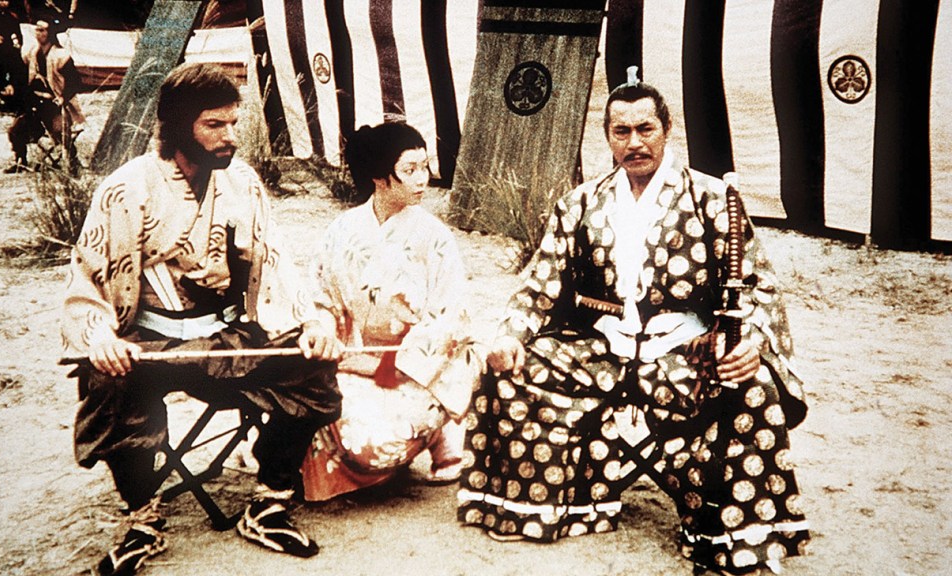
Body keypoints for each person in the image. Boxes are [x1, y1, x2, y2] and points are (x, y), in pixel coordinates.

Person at [457, 70, 810, 575]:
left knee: (753, 388)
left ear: (667, 129)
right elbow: (541, 282)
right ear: (607, 138)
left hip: (684, 353)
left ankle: (731, 534)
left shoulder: (712, 199)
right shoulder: (580, 203)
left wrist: (749, 341)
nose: (634, 142)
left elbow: (757, 285)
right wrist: (511, 333)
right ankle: (548, 504)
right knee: (510, 369)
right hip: (602, 350)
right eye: (621, 132)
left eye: (645, 129)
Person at [63, 63, 343, 575]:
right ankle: (143, 520)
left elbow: (275, 262)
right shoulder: (127, 190)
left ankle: (269, 502)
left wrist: (314, 321)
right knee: (105, 378)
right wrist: (100, 335)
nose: (228, 137)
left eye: (233, 123)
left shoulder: (242, 182)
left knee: (313, 368)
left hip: (230, 339)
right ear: (176, 126)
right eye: (214, 125)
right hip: (149, 342)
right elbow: (89, 279)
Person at [299, 122, 482, 501]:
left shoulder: (435, 237)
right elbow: (320, 296)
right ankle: (418, 444)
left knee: (379, 442)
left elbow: (450, 314)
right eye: (410, 170)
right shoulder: (342, 230)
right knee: (333, 424)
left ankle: (440, 430)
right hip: (353, 361)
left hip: (416, 368)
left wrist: (392, 364)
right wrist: (324, 334)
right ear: (380, 177)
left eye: (425, 167)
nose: (423, 180)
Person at [5, 17, 84, 173]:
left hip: (56, 106)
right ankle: (21, 161)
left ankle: (73, 163)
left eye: (42, 30)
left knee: (61, 133)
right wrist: (12, 86)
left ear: (50, 33)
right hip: (35, 104)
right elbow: (22, 77)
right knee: (15, 130)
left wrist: (63, 97)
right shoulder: (30, 53)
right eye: (37, 29)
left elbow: (75, 82)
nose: (38, 33)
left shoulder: (61, 56)